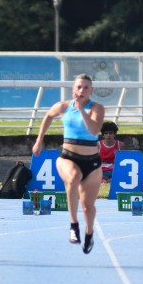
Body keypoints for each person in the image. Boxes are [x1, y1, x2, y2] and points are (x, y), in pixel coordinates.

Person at [32, 74, 105, 255]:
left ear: (91, 90)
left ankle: (89, 233)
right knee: (73, 178)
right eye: (79, 87)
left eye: (86, 87)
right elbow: (48, 116)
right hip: (68, 157)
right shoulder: (63, 107)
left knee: (88, 207)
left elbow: (95, 130)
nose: (82, 90)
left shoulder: (96, 108)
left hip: (92, 163)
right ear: (73, 89)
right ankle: (74, 224)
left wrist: (82, 111)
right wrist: (39, 140)